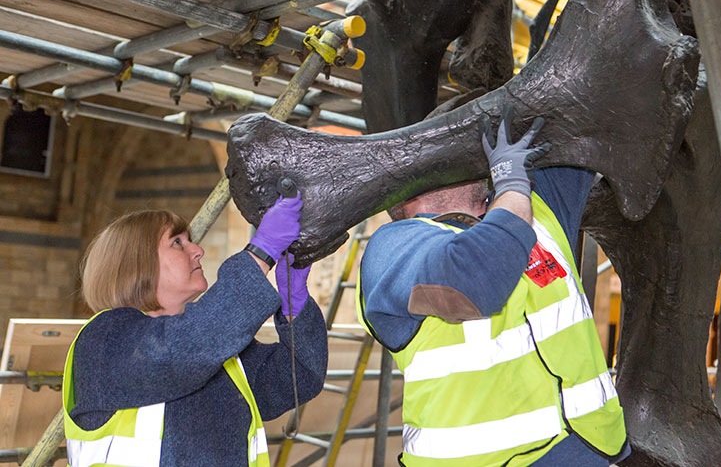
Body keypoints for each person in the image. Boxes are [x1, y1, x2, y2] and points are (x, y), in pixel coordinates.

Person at [357, 106, 630, 466]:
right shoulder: (393, 247)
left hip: (590, 450)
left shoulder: (538, 209)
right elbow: (474, 283)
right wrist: (512, 184)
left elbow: (578, 112)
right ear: (412, 187)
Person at [63, 194, 327, 466]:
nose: (197, 250)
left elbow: (299, 377)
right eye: (177, 242)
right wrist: (260, 253)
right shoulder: (106, 340)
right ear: (136, 263)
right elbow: (183, 349)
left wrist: (294, 305)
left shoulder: (214, 350)